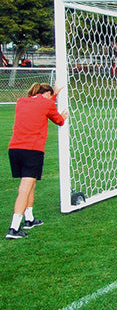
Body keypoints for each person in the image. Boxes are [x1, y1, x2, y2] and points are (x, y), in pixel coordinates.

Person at [6, 82, 68, 240]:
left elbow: (40, 104)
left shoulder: (21, 101)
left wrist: (52, 94)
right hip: (32, 150)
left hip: (14, 149)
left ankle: (29, 219)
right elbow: (59, 121)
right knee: (25, 188)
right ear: (47, 93)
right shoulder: (47, 103)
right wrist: (64, 116)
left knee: (31, 184)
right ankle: (13, 228)